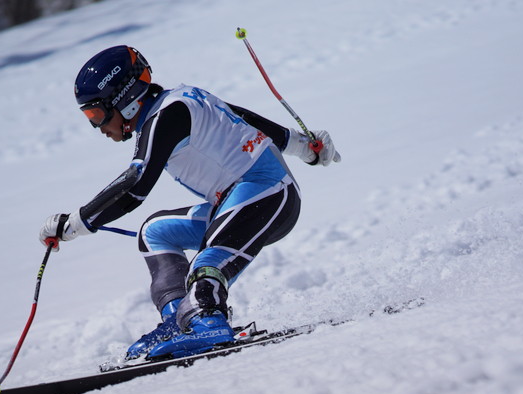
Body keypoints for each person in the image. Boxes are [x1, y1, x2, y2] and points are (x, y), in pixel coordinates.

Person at [39, 45, 340, 360]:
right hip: (237, 202)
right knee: (155, 232)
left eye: (97, 115)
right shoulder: (179, 102)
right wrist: (301, 144)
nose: (98, 127)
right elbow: (242, 118)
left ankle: (206, 319)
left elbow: (136, 184)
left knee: (206, 261)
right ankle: (179, 320)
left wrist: (77, 222)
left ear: (124, 98)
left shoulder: (168, 115)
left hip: (268, 194)